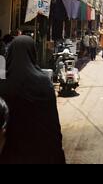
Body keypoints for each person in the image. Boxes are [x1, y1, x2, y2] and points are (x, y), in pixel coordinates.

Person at [0, 36, 65, 164]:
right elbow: (52, 123)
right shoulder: (44, 83)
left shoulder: (3, 84)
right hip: (41, 153)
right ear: (33, 53)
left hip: (11, 153)